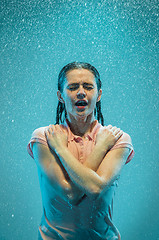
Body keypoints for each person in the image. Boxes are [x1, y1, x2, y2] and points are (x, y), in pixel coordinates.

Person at [27, 62, 134, 240]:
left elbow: (95, 187)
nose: (81, 92)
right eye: (73, 87)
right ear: (60, 96)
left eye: (88, 87)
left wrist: (61, 148)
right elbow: (70, 194)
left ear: (98, 94)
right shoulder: (43, 137)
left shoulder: (117, 139)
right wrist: (62, 145)